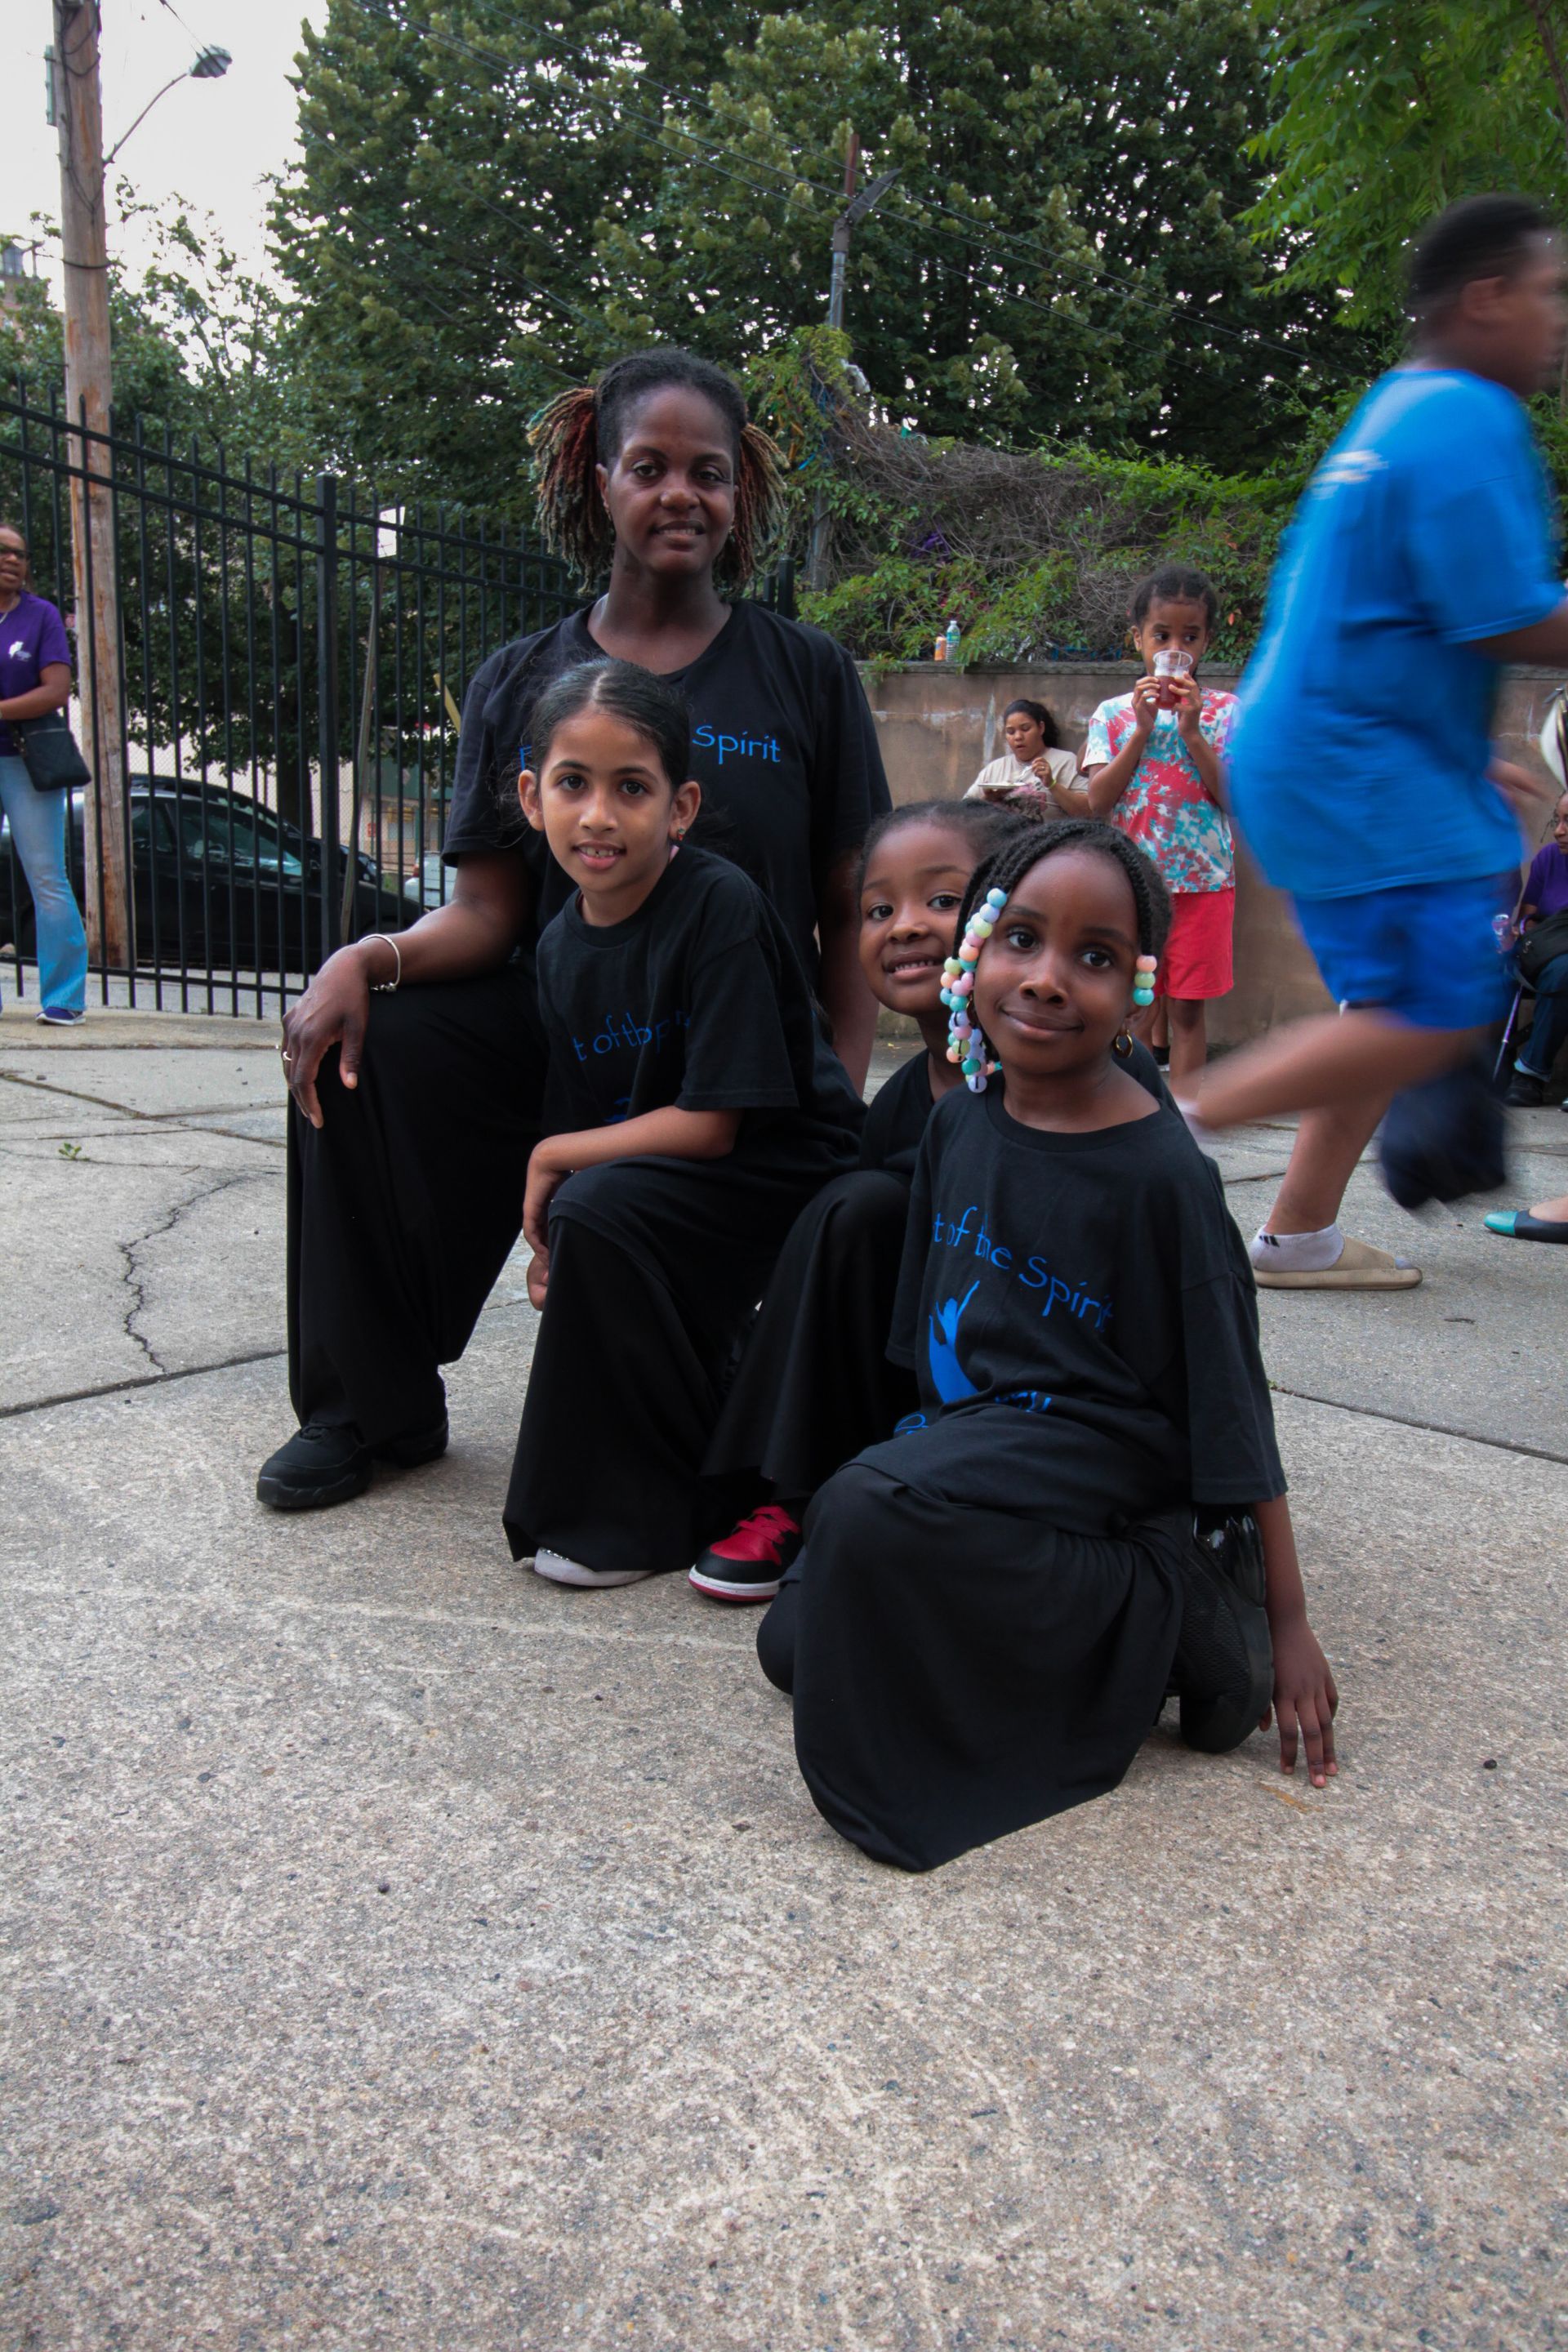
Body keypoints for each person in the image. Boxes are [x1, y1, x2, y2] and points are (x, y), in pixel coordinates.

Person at [260, 348, 889, 1512]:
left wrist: (836, 1093)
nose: (679, 494)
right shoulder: (521, 677)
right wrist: (363, 959)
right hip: (566, 1016)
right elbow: (491, 914)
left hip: (731, 1043)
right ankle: (370, 1408)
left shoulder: (805, 674)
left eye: (708, 472)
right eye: (649, 466)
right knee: (358, 1057)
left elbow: (847, 906)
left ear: (739, 491)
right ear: (598, 479)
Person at [755, 820, 1337, 1873]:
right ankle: (1100, 1627)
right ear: (975, 951)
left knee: (856, 1519)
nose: (1048, 979)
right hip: (988, 1444)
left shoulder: (1162, 1178)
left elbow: (1233, 1404)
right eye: (1022, 939)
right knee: (796, 1644)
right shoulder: (959, 1124)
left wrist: (1291, 1618)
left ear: (1141, 993)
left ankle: (1174, 1605)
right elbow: (923, 1351)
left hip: (1103, 1449)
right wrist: (913, 1479)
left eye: (1096, 957)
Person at [1196, 196, 1568, 1268]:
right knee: (1436, 1015)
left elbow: (1389, 617)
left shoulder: (1399, 408)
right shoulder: (1467, 413)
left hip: (1337, 750)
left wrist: (1455, 754)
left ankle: (1298, 1231)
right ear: (1486, 296)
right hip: (1354, 761)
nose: (1557, 320)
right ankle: (1166, 1125)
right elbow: (1504, 612)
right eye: (1548, 294)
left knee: (1395, 1007)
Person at [506, 658, 863, 1586]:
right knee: (596, 1221)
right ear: (530, 798)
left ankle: (640, 1521)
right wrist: (559, 1240)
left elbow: (713, 1126)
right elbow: (599, 1117)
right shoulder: (556, 951)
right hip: (678, 1174)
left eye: (633, 788)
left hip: (789, 1165)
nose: (598, 815)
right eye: (572, 784)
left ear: (682, 807)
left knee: (600, 1209)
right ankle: (654, 1480)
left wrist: (556, 1162)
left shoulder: (718, 906)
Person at [1081, 567, 1236, 1090]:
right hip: (1132, 887)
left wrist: (1192, 733)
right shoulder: (1114, 714)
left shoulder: (1223, 712)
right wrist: (1142, 730)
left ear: (1207, 640)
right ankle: (1139, 1115)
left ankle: (1187, 1129)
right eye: (1162, 636)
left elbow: (1234, 800)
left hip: (1204, 885)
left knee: (1189, 1015)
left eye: (1190, 637)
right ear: (1138, 639)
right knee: (1136, 1011)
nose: (1176, 648)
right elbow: (1098, 801)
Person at [0, 523, 87, 1025]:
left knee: (47, 876)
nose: (13, 560)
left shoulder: (41, 617)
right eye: (3, 552)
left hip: (23, 761)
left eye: (21, 553)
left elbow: (56, 690)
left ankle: (64, 997)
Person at [1500, 790, 1568, 1105]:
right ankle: (1491, 1065)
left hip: (1560, 964)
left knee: (1563, 972)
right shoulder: (1549, 859)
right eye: (1558, 820)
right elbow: (1529, 918)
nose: (1558, 830)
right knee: (1489, 966)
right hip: (1539, 949)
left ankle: (1531, 1073)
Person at [964, 697, 1085, 813]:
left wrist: (1052, 785)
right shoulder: (995, 769)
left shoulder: (1066, 762)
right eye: (1011, 732)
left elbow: (1090, 812)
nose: (1018, 737)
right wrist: (987, 800)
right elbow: (963, 811)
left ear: (1041, 728)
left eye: (1026, 729)